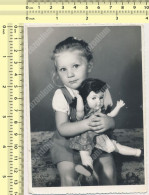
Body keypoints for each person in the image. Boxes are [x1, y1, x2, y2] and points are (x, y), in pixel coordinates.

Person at [50, 36, 116, 186]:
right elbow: (63, 129)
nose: (70, 74)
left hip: (95, 143)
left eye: (75, 66)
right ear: (57, 72)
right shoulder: (61, 95)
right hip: (67, 146)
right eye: (63, 69)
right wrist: (87, 123)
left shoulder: (100, 89)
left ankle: (93, 174)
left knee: (109, 172)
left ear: (89, 65)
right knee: (68, 178)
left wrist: (110, 122)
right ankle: (82, 173)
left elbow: (110, 118)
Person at [68, 78, 142, 177]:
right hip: (85, 139)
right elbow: (80, 112)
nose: (98, 101)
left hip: (99, 137)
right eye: (94, 98)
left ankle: (137, 152)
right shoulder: (85, 112)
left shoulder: (101, 110)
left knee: (116, 147)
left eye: (101, 97)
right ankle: (88, 168)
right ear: (85, 99)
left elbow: (111, 115)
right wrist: (79, 98)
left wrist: (118, 107)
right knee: (84, 154)